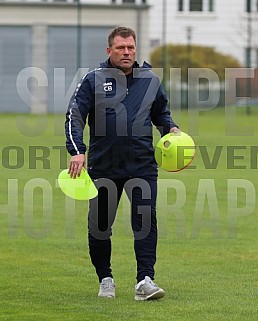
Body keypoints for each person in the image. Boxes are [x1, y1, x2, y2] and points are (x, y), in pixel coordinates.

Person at [65, 26, 179, 300]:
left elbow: (161, 114)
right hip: (104, 166)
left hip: (142, 165)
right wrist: (77, 150)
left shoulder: (149, 80)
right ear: (109, 51)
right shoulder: (93, 79)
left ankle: (145, 281)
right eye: (120, 48)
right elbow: (74, 116)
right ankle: (105, 278)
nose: (126, 52)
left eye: (130, 48)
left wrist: (171, 129)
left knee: (145, 220)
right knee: (100, 226)